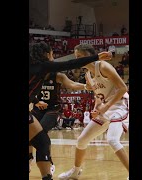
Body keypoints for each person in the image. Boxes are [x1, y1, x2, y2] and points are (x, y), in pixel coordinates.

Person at [28, 42, 111, 180]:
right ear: (46, 54)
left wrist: (36, 101)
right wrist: (96, 57)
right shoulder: (44, 66)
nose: (53, 56)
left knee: (42, 141)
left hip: (50, 108)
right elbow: (70, 64)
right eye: (51, 53)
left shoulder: (40, 69)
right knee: (42, 141)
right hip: (35, 110)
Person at [58, 44, 129, 180]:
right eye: (76, 57)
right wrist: (97, 107)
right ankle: (76, 171)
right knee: (81, 141)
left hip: (121, 104)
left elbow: (123, 88)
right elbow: (98, 94)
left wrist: (105, 106)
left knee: (112, 140)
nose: (77, 60)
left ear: (89, 55)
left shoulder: (103, 66)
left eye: (80, 57)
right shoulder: (88, 74)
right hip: (106, 107)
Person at [29, 65, 95, 174]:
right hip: (37, 108)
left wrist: (85, 86)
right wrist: (36, 102)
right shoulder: (35, 75)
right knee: (30, 131)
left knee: (42, 131)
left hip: (53, 109)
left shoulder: (57, 76)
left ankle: (48, 161)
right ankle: (30, 158)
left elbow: (72, 84)